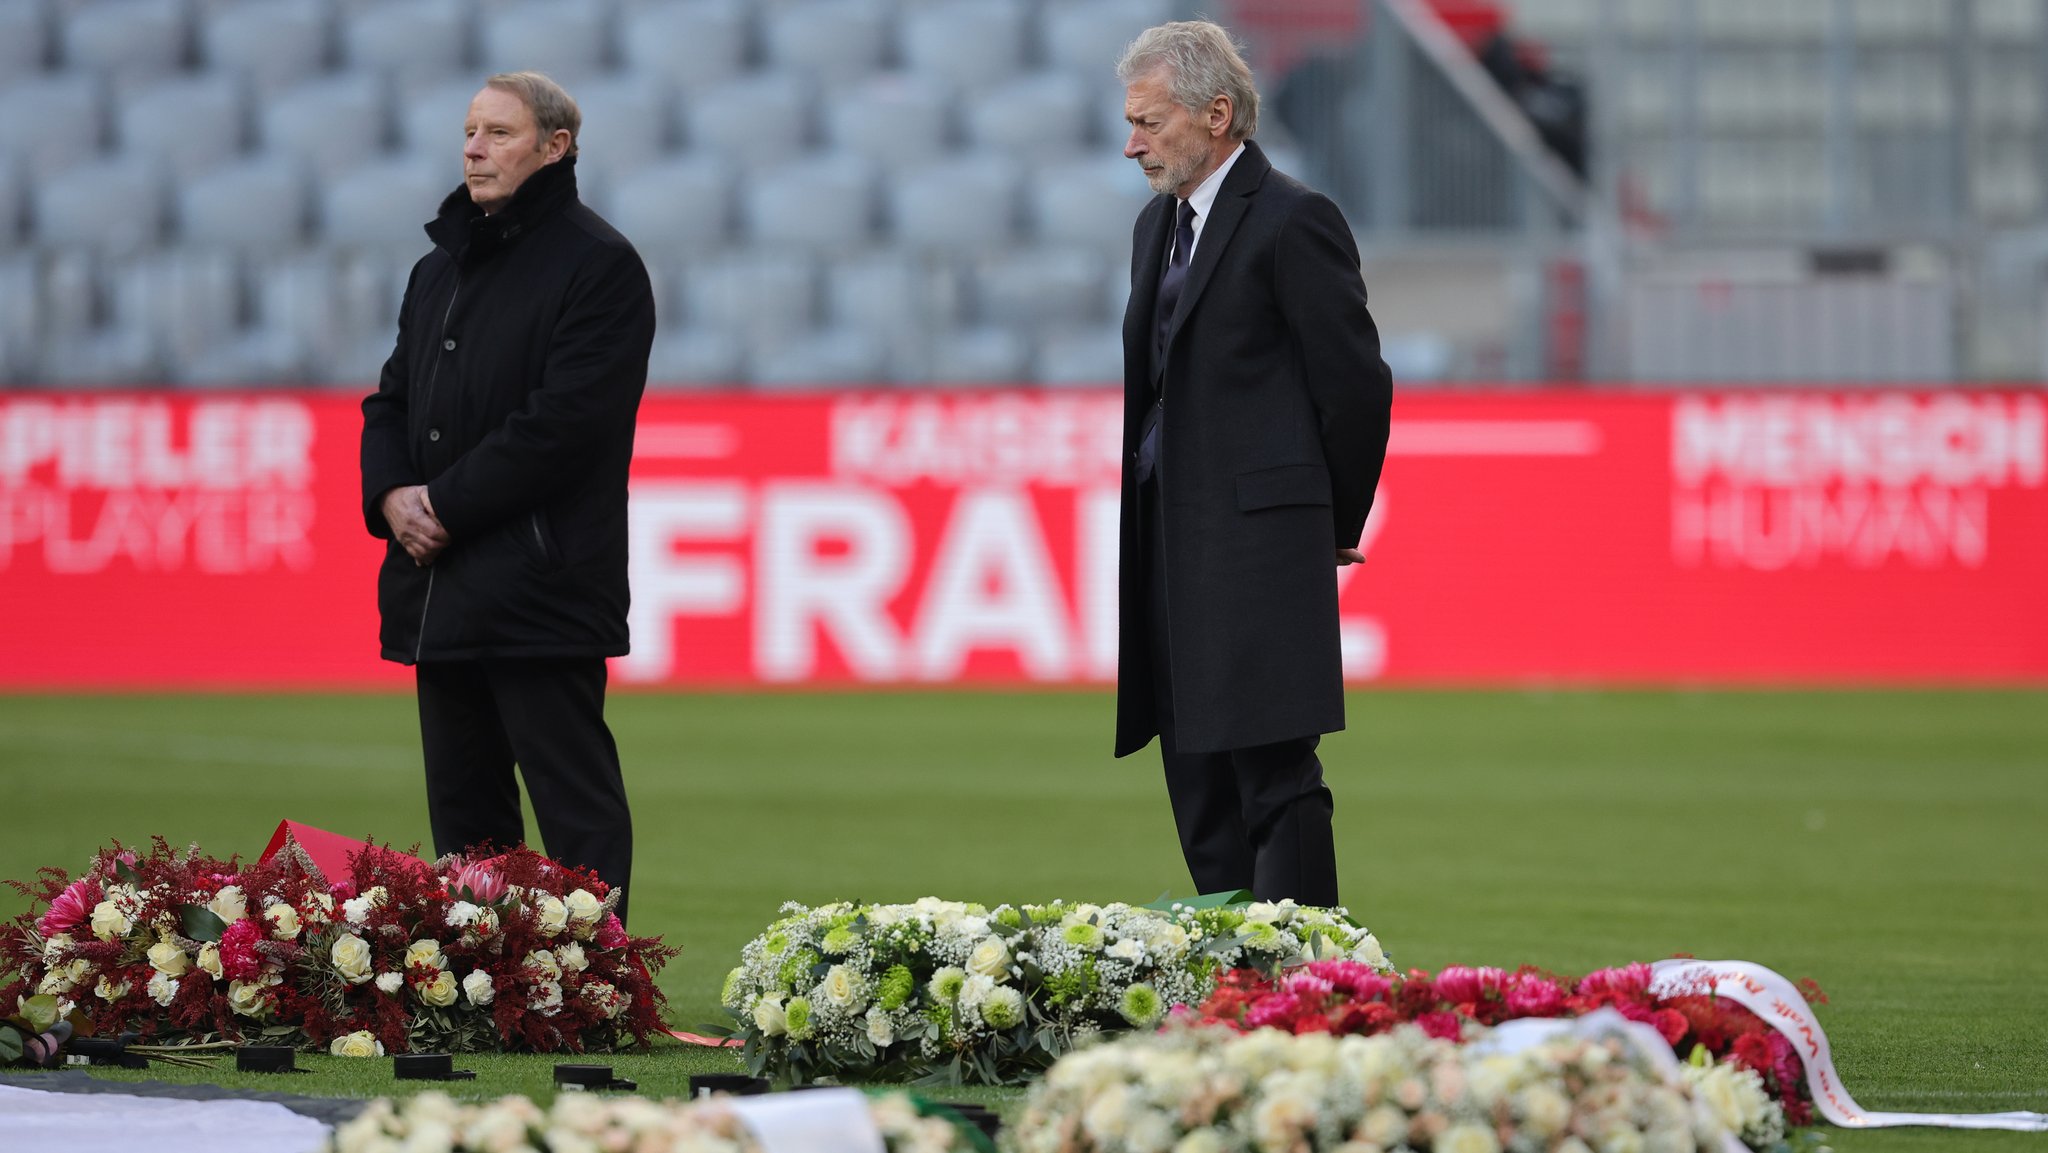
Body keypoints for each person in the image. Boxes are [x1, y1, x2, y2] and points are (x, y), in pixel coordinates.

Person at [360, 71, 655, 923]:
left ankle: (599, 983)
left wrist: (439, 506)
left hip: (540, 582)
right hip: (441, 585)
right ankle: (484, 986)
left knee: (575, 807)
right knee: (464, 815)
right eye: (468, 131)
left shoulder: (599, 263)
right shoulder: (437, 267)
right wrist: (389, 496)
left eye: (497, 132)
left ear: (556, 147)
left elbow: (563, 425)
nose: (473, 148)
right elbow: (392, 400)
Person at [1112, 22, 1393, 907]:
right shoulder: (1156, 225)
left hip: (1259, 545)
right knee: (1195, 783)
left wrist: (1328, 523)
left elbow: (1355, 387)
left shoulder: (1294, 219)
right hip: (1166, 541)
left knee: (1275, 775)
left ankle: (1313, 990)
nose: (1133, 144)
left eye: (1151, 123)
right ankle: (1233, 988)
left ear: (1218, 114)